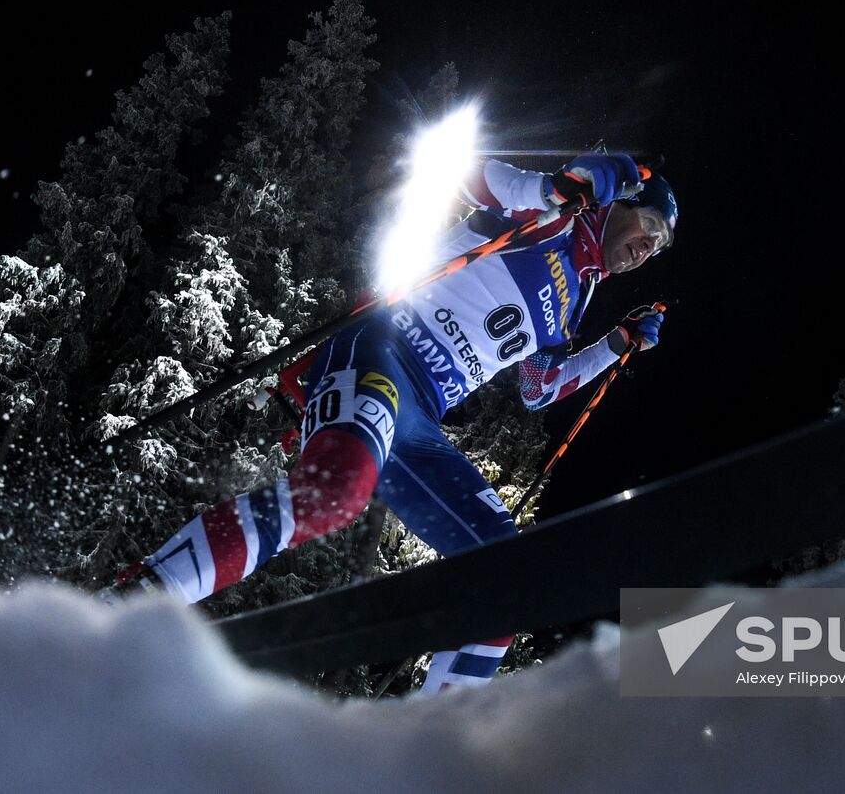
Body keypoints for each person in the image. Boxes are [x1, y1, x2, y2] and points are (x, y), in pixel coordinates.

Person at [106, 152, 678, 694]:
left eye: (657, 246)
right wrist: (560, 183)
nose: (645, 248)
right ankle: (133, 602)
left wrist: (615, 342)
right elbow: (474, 177)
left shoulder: (577, 295)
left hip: (422, 418)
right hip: (380, 351)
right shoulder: (552, 215)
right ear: (618, 201)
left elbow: (539, 389)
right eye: (646, 225)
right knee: (334, 493)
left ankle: (430, 750)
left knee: (508, 577)